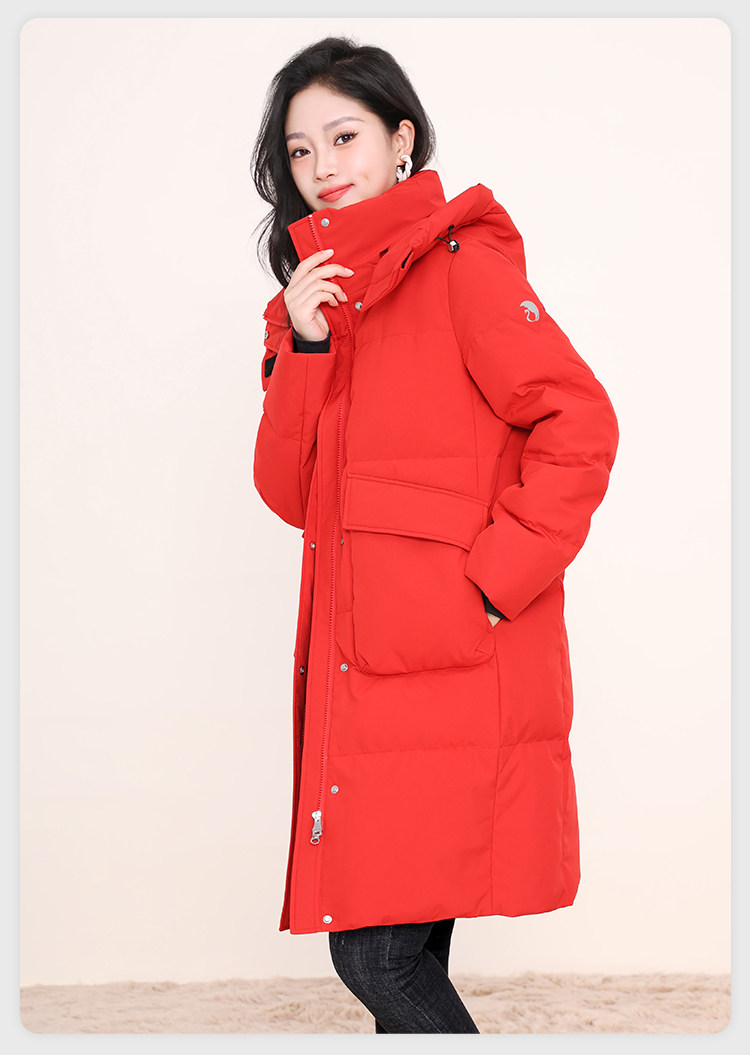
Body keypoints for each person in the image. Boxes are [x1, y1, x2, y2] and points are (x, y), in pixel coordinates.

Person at [250, 36, 619, 1035]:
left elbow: (580, 423)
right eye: (300, 150)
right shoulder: (316, 304)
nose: (323, 166)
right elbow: (290, 494)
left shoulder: (462, 268)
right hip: (366, 673)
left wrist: (496, 579)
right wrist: (307, 347)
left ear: (401, 140)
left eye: (344, 137)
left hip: (455, 665)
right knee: (402, 948)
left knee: (373, 954)